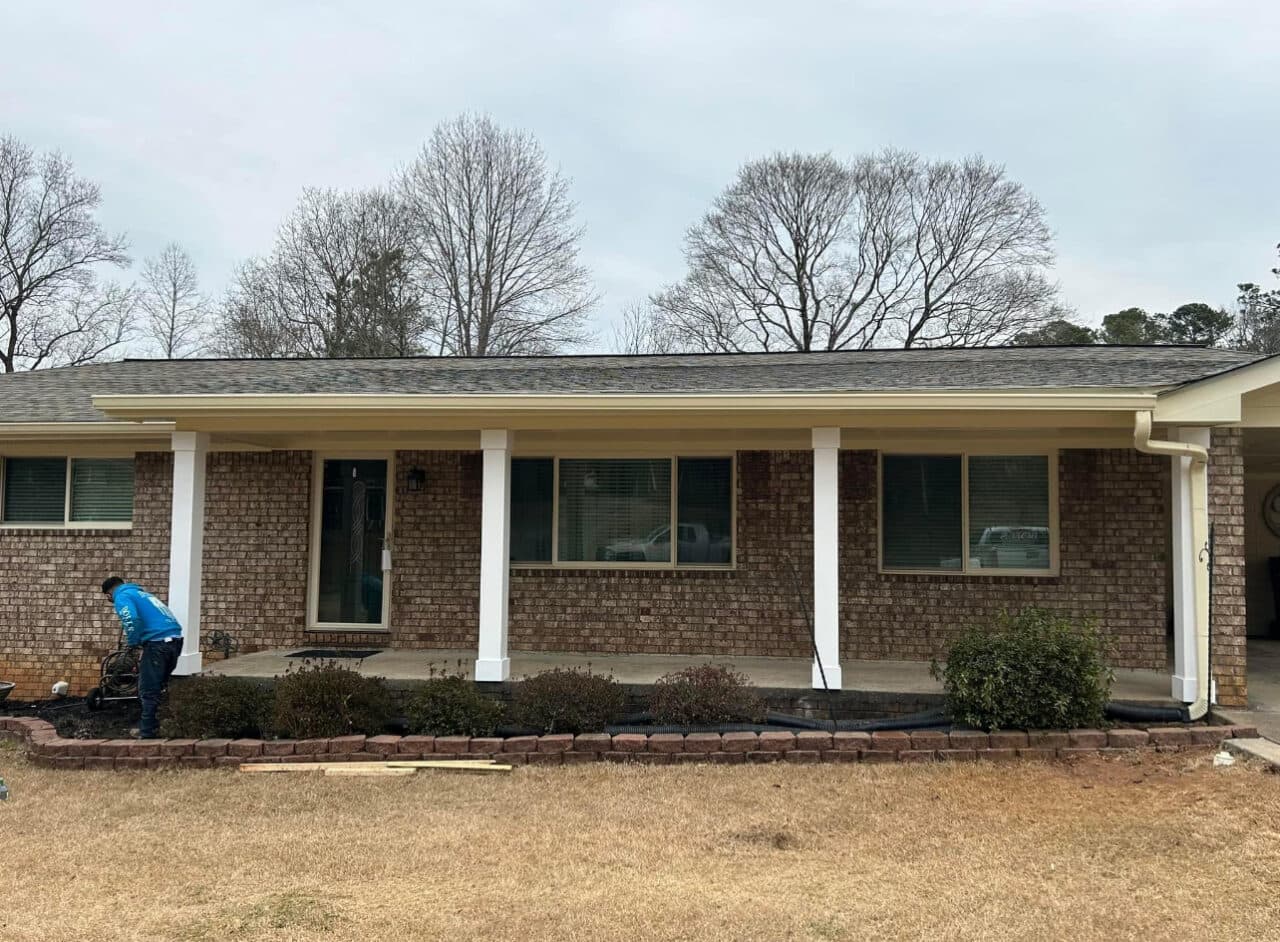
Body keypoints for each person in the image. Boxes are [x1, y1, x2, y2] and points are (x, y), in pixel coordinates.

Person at [101, 576, 184, 739]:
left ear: (109, 593)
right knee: (160, 686)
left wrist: (133, 641)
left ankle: (147, 733)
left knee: (148, 689)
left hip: (158, 643)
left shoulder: (122, 596)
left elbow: (130, 618)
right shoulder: (143, 594)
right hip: (175, 640)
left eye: (108, 598)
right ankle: (163, 725)